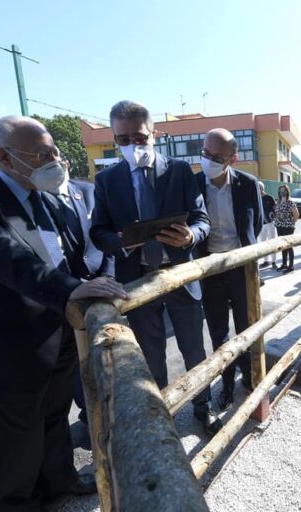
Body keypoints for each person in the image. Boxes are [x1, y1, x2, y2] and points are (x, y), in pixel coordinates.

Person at [0, 115, 128, 511]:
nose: (55, 158)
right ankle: (19, 503)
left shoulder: (47, 198)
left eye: (54, 150)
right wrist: (72, 289)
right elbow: (4, 257)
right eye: (42, 153)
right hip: (4, 345)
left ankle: (60, 481)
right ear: (2, 156)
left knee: (54, 418)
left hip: (58, 334)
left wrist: (98, 282)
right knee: (16, 436)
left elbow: (76, 254)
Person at [89, 100, 221, 435]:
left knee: (193, 348)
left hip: (179, 276)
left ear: (155, 134)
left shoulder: (179, 171)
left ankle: (202, 406)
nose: (133, 146)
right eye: (122, 140)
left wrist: (191, 235)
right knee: (150, 354)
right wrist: (119, 241)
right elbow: (98, 232)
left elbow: (202, 219)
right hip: (136, 281)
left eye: (140, 137)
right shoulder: (106, 180)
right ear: (113, 138)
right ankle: (160, 414)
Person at [197, 128, 263, 410]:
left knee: (246, 326)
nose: (209, 160)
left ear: (232, 159)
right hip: (209, 269)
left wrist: (243, 255)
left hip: (240, 268)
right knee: (218, 330)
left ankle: (248, 376)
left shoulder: (247, 184)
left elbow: (256, 223)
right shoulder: (193, 185)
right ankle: (225, 381)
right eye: (206, 153)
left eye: (217, 156)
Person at [47, 159, 115, 426]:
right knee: (75, 362)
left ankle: (108, 411)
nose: (49, 164)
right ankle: (91, 418)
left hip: (101, 286)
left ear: (65, 162)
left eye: (53, 156)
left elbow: (105, 237)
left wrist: (107, 277)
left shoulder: (88, 191)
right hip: (64, 293)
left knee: (107, 352)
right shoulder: (34, 200)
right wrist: (73, 287)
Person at [274, 185, 299, 273]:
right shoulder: (278, 202)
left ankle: (291, 266)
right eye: (280, 191)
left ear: (287, 191)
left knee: (289, 246)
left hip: (288, 227)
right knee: (282, 246)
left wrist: (291, 223)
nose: (282, 192)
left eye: (284, 190)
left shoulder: (290, 202)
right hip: (279, 226)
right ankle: (284, 264)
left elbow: (296, 215)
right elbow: (276, 213)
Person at [257, 182, 278, 270]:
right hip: (261, 224)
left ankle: (273, 261)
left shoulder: (269, 198)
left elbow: (275, 209)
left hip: (270, 223)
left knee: (272, 242)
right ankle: (266, 261)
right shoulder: (256, 198)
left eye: (257, 188)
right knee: (263, 243)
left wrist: (275, 218)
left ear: (261, 188)